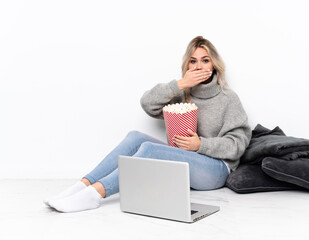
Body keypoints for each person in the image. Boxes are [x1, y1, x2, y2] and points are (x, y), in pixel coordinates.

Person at [43, 36, 252, 213]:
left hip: (216, 170)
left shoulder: (228, 98)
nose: (198, 66)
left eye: (205, 60)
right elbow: (148, 104)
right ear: (187, 66)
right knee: (135, 138)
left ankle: (95, 194)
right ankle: (81, 186)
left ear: (214, 64)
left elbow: (238, 145)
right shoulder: (183, 93)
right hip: (187, 160)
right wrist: (180, 84)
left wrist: (201, 145)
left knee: (150, 150)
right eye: (193, 61)